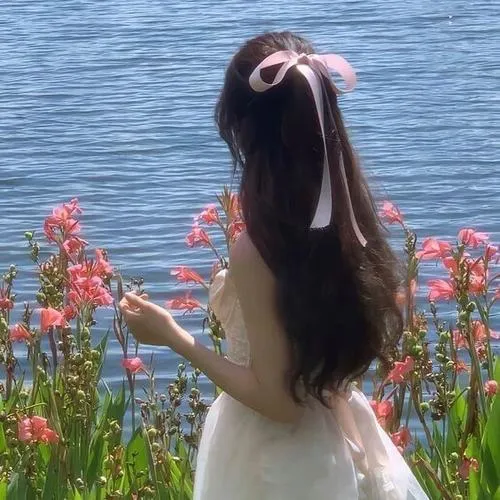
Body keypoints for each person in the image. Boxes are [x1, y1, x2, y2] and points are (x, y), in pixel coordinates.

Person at [119, 31, 429, 499]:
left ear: (244, 132)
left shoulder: (260, 249)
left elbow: (279, 402)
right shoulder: (347, 224)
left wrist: (173, 337)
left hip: (273, 457)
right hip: (336, 434)